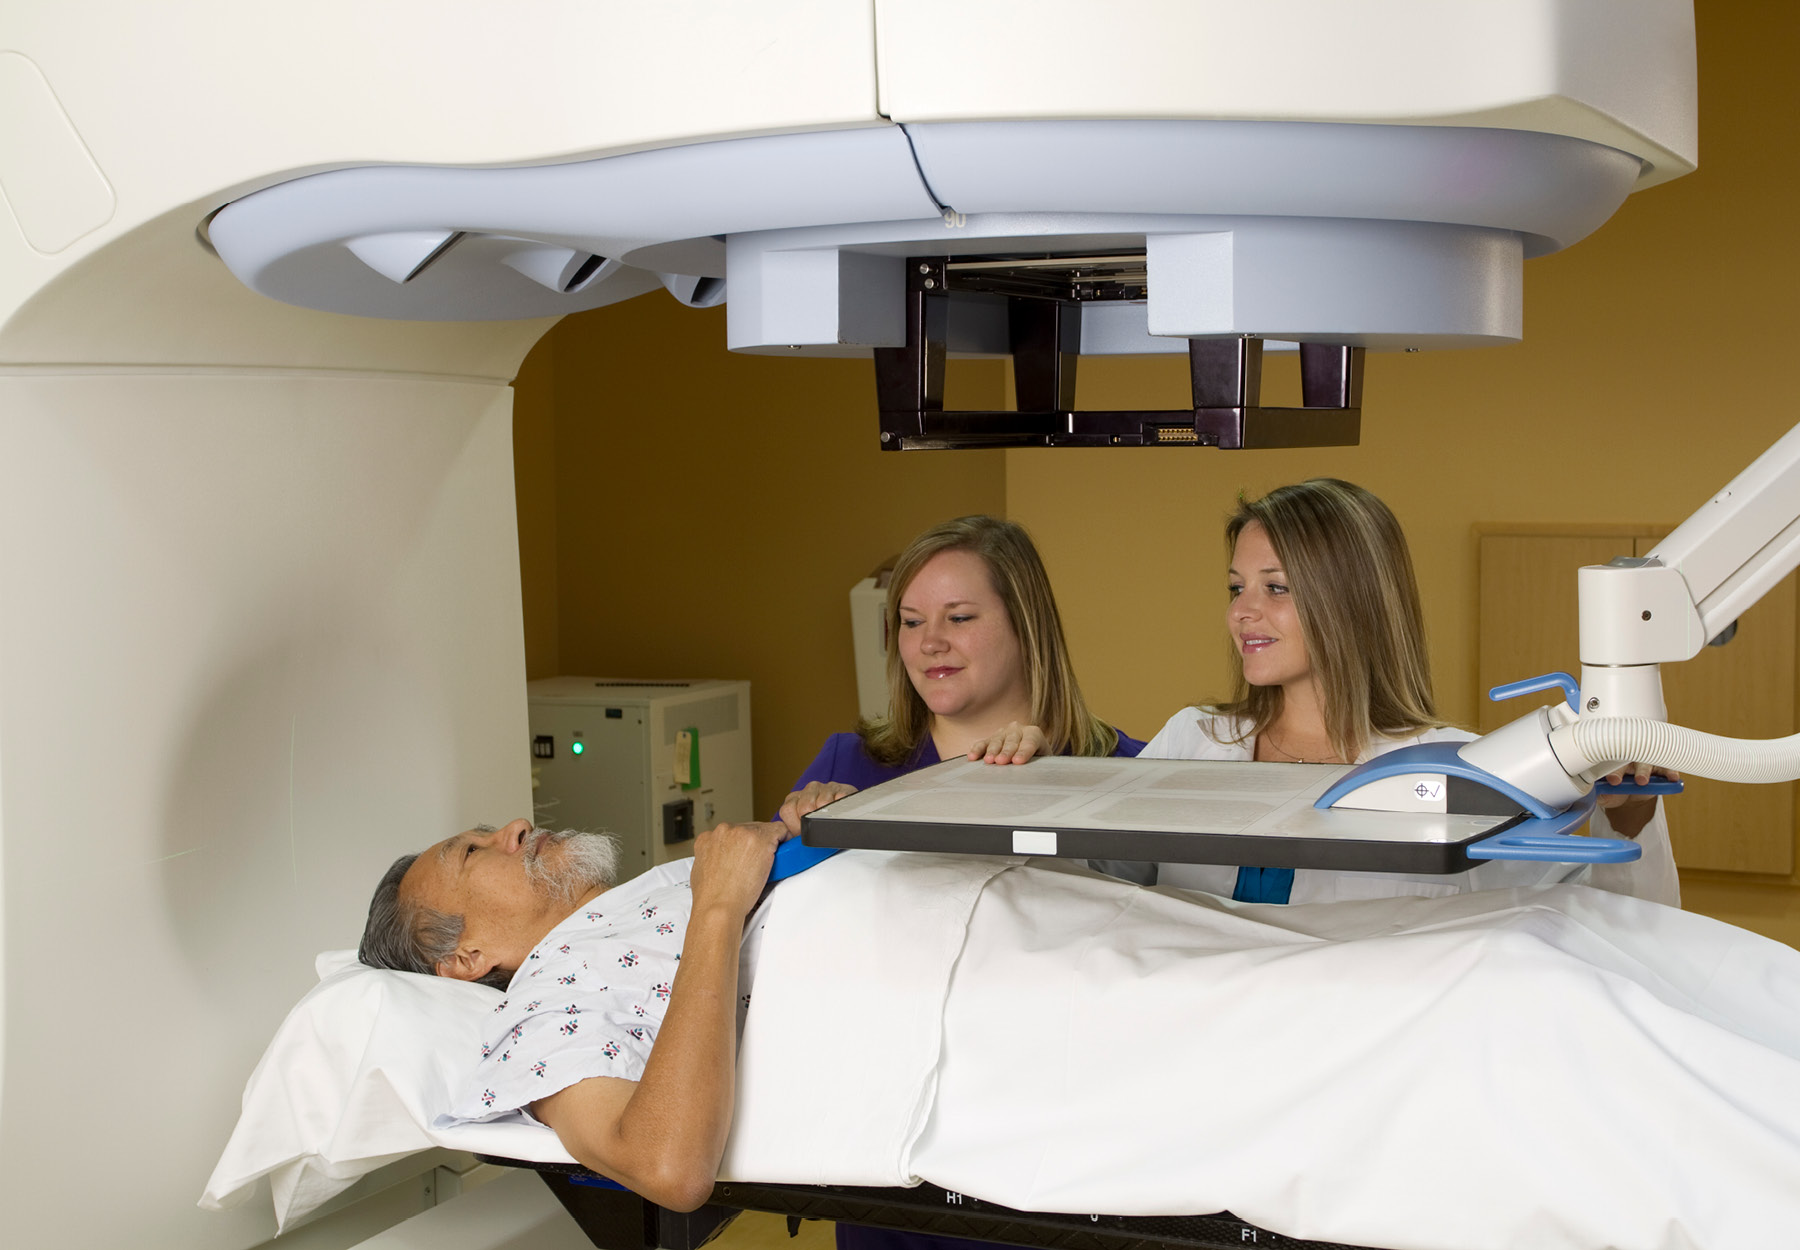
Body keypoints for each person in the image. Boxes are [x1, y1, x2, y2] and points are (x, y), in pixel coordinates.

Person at [976, 479, 1679, 906]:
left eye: (1276, 589)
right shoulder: (1195, 739)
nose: (1241, 613)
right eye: (1236, 588)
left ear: (1352, 602)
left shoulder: (1454, 767)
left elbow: (1583, 923)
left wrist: (1631, 816)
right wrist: (1037, 782)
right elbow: (1101, 880)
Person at [358, 816, 790, 1211]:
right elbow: (666, 1166)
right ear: (467, 957)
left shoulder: (632, 909)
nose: (518, 826)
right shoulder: (543, 1016)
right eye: (473, 852)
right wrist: (718, 905)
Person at [779, 514, 1142, 832]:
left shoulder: (1131, 773)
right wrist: (806, 841)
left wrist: (1052, 782)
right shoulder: (845, 764)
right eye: (912, 622)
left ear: (1027, 624)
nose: (930, 642)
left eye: (959, 618)